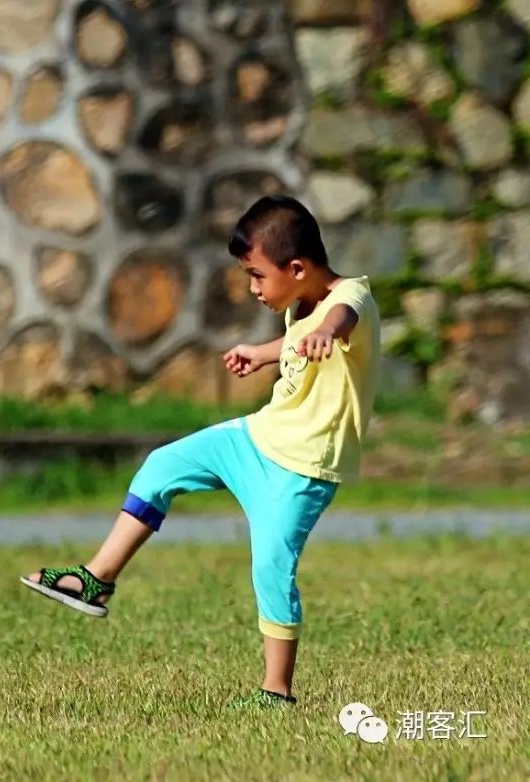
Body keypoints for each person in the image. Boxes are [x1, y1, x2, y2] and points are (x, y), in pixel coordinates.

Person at [21, 194, 382, 709]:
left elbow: (339, 319)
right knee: (162, 465)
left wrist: (327, 330)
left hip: (301, 470)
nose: (253, 289)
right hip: (256, 438)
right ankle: (96, 579)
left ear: (297, 268)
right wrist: (262, 353)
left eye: (257, 276)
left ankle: (276, 691)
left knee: (272, 567)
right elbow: (303, 336)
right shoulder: (300, 303)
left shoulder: (352, 298)